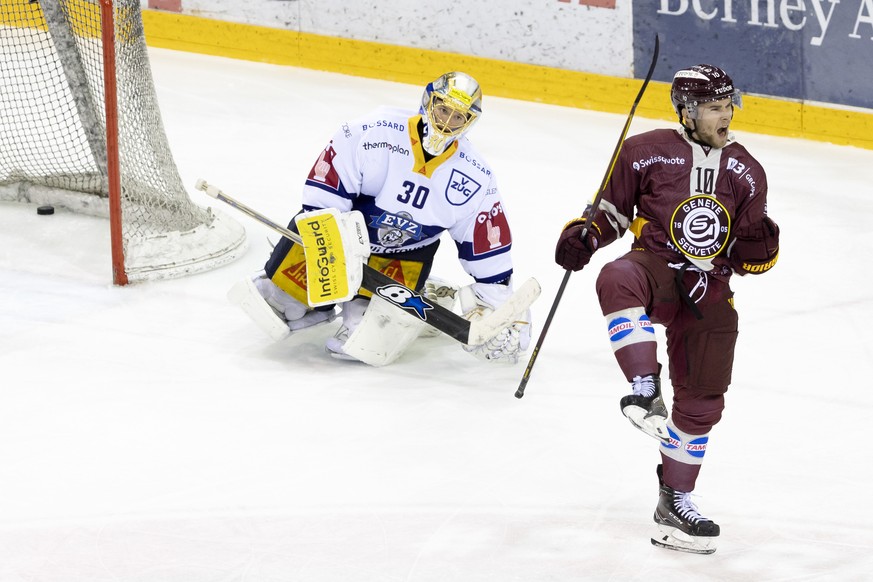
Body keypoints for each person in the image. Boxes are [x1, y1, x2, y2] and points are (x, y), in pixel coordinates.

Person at [554, 64, 779, 554]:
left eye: (729, 106)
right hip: (655, 266)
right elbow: (611, 212)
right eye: (716, 108)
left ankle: (674, 503)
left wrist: (760, 247)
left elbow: (750, 260)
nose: (727, 116)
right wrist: (586, 234)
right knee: (616, 276)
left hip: (711, 290)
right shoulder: (644, 150)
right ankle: (643, 388)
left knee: (703, 402)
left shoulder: (748, 171)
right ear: (687, 111)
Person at [229, 71, 531, 366]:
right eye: (443, 109)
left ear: (469, 122)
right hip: (341, 242)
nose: (446, 121)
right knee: (280, 304)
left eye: (458, 117)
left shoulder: (475, 176)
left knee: (367, 338)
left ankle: (410, 293)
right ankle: (311, 301)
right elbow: (323, 196)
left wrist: (499, 305)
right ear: (428, 102)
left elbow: (484, 243)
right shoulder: (374, 131)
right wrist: (330, 244)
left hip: (404, 256)